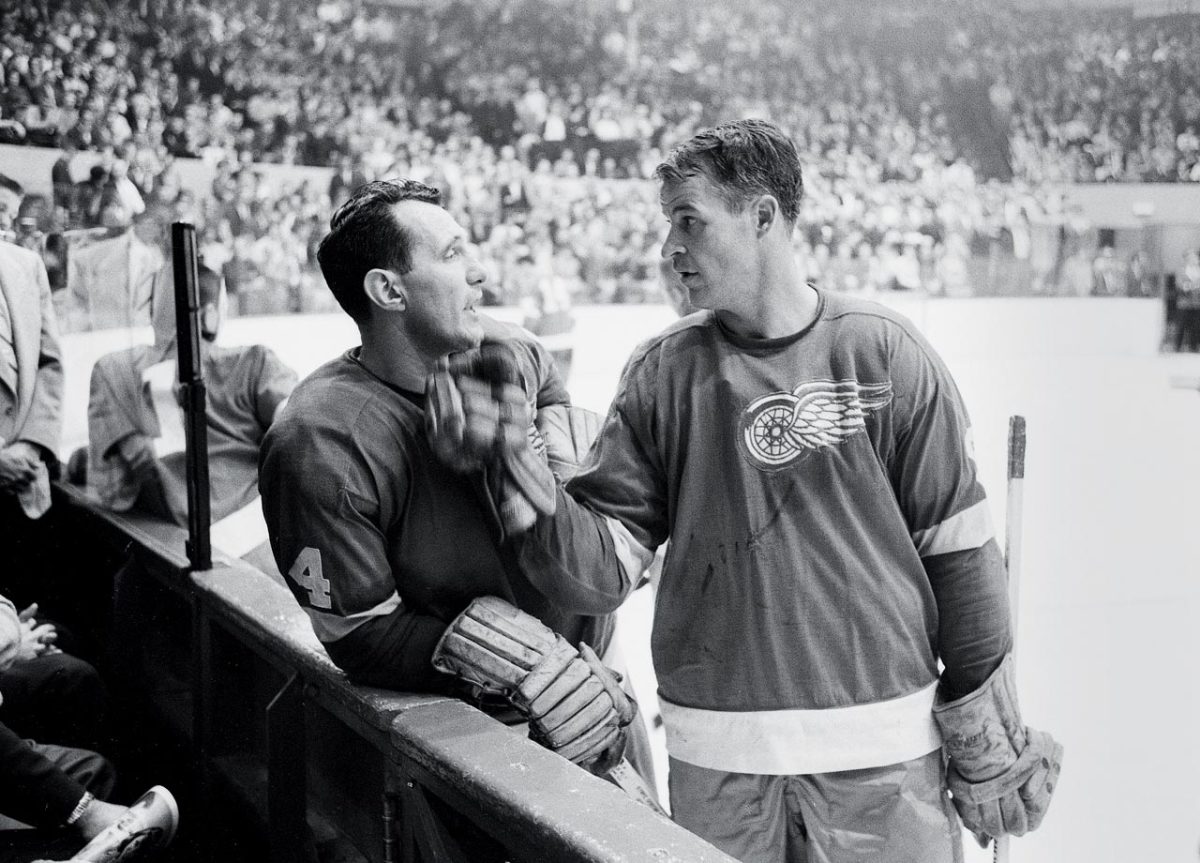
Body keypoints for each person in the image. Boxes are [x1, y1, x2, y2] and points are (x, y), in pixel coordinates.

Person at [427, 120, 1062, 862]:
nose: (669, 249)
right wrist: (517, 476)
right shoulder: (661, 372)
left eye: (689, 221)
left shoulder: (884, 352)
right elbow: (598, 573)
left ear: (762, 216)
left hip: (886, 762)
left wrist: (985, 735)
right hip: (719, 763)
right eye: (668, 224)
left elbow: (960, 557)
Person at [257, 180, 653, 793]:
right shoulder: (318, 443)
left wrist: (534, 460)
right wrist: (521, 665)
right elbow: (358, 631)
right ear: (388, 290)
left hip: (606, 678)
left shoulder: (507, 349)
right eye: (451, 255)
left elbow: (547, 382)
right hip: (484, 731)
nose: (481, 273)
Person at [86, 260, 296, 570]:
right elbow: (300, 430)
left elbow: (110, 481)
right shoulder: (253, 362)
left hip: (173, 558)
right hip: (259, 547)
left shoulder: (113, 371)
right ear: (210, 316)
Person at [0, 173, 63, 605]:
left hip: (22, 481)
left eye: (6, 212)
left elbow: (49, 364)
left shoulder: (25, 265)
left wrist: (31, 446)